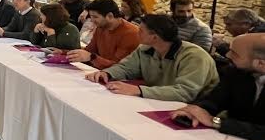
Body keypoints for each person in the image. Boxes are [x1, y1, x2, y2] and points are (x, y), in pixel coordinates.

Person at [85, 14, 219, 102]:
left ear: (154, 37)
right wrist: (107, 73)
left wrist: (139, 90)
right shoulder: (145, 49)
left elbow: (185, 92)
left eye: (141, 31)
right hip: (160, 102)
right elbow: (126, 68)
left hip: (195, 110)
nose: (137, 32)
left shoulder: (194, 57)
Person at [171, 33, 265, 140]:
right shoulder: (236, 72)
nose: (228, 55)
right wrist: (194, 111)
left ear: (260, 63)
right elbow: (213, 100)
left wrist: (215, 121)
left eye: (235, 54)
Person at [67, 0, 140, 68]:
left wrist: (92, 57)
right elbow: (89, 50)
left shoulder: (131, 33)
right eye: (91, 17)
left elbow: (119, 67)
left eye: (95, 17)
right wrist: (65, 52)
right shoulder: (101, 27)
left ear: (110, 16)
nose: (92, 20)